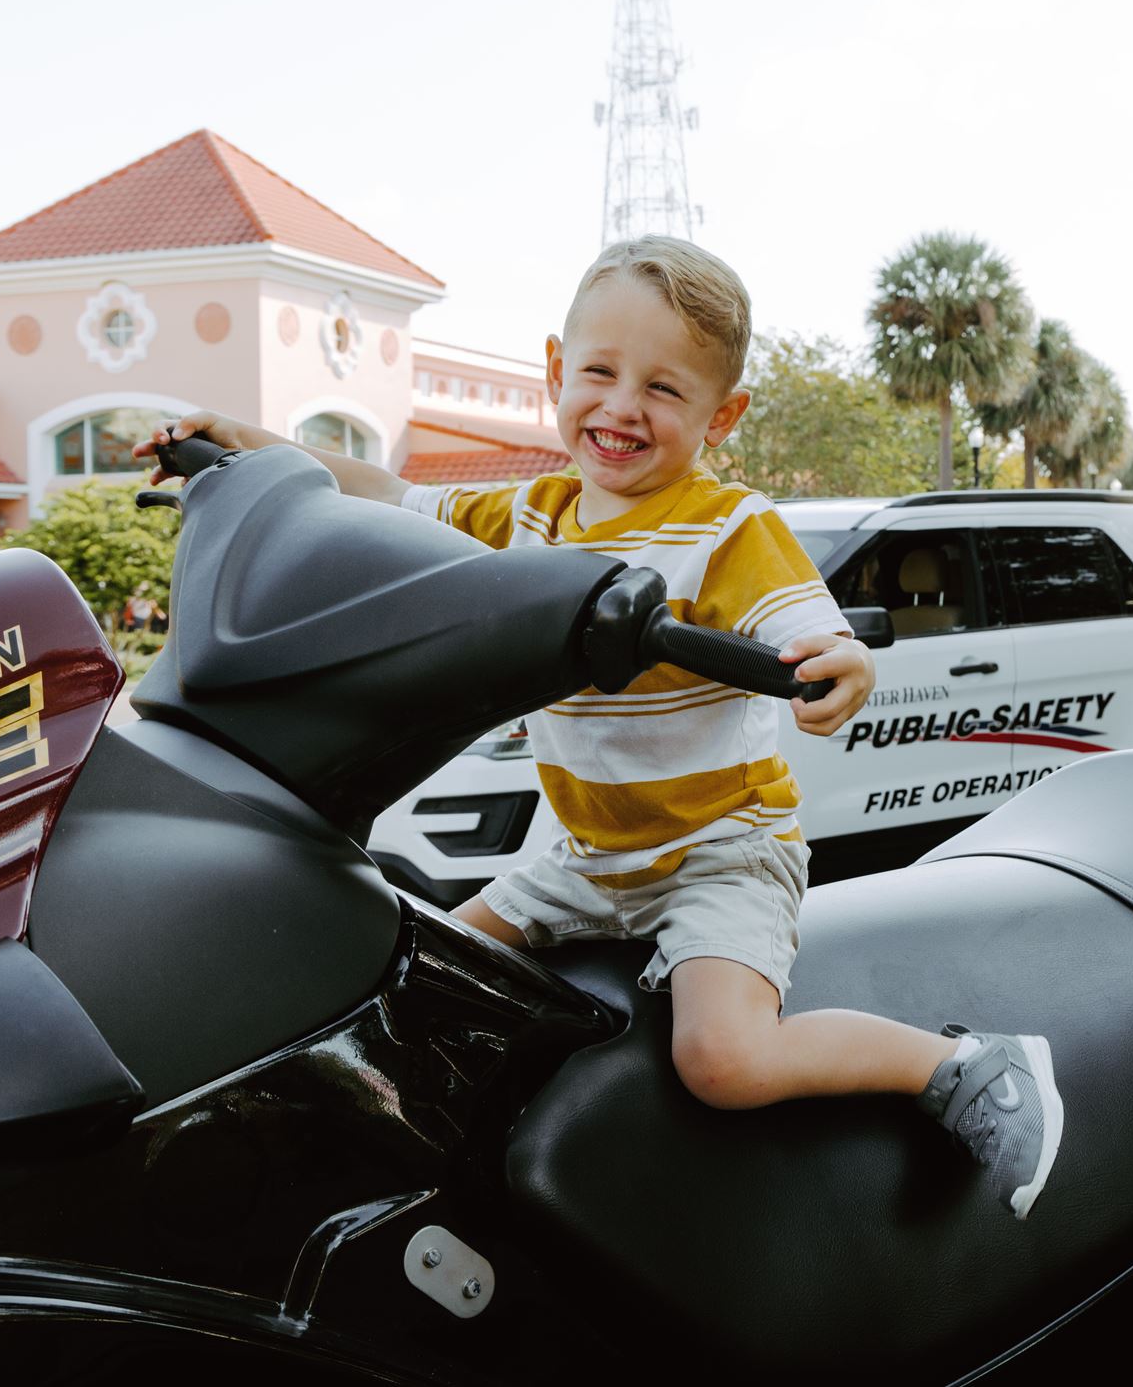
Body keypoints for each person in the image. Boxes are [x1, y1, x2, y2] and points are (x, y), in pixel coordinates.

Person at [141, 237, 1066, 1217]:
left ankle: (962, 1067)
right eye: (598, 373)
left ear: (723, 415)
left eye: (664, 389)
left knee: (723, 1060)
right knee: (420, 976)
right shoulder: (529, 516)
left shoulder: (725, 527)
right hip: (584, 857)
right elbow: (381, 494)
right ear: (554, 371)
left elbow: (806, 628)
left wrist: (840, 661)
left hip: (721, 850)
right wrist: (245, 444)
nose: (622, 407)